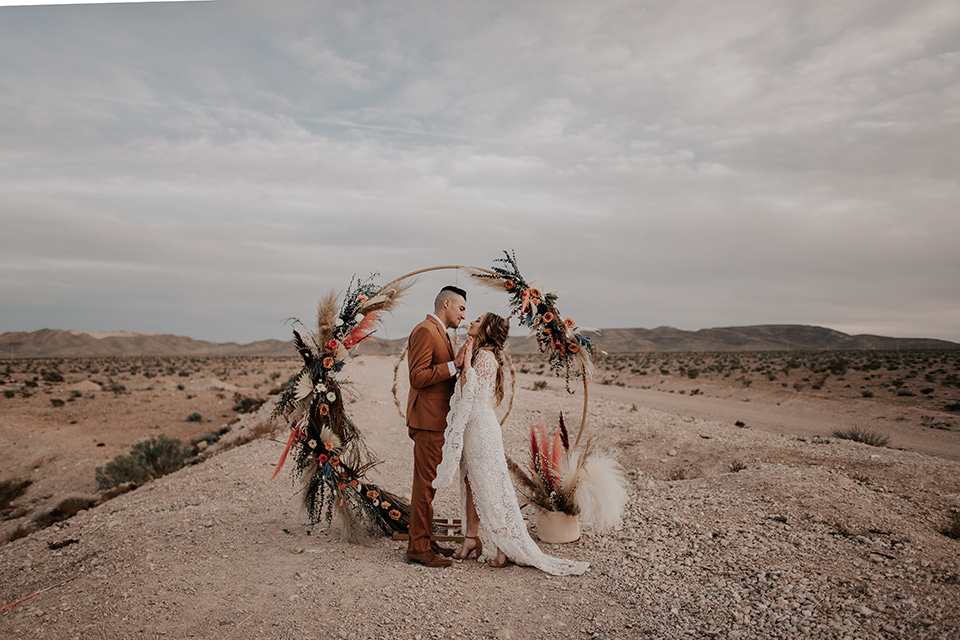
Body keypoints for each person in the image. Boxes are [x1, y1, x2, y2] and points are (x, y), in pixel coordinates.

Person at [434, 313, 588, 576]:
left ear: (486, 328)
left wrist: (467, 363)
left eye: (478, 319)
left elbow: (470, 392)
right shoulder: (481, 353)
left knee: (489, 486)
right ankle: (471, 538)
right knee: (471, 483)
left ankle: (503, 544)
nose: (472, 320)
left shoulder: (483, 357)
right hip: (473, 428)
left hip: (481, 430)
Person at [405, 285, 468, 567]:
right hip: (428, 420)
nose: (463, 316)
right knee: (425, 486)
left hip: (437, 420)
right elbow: (417, 377)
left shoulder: (441, 332)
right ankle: (418, 548)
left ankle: (425, 540)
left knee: (429, 485)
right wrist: (454, 366)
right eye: (461, 308)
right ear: (447, 303)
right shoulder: (425, 330)